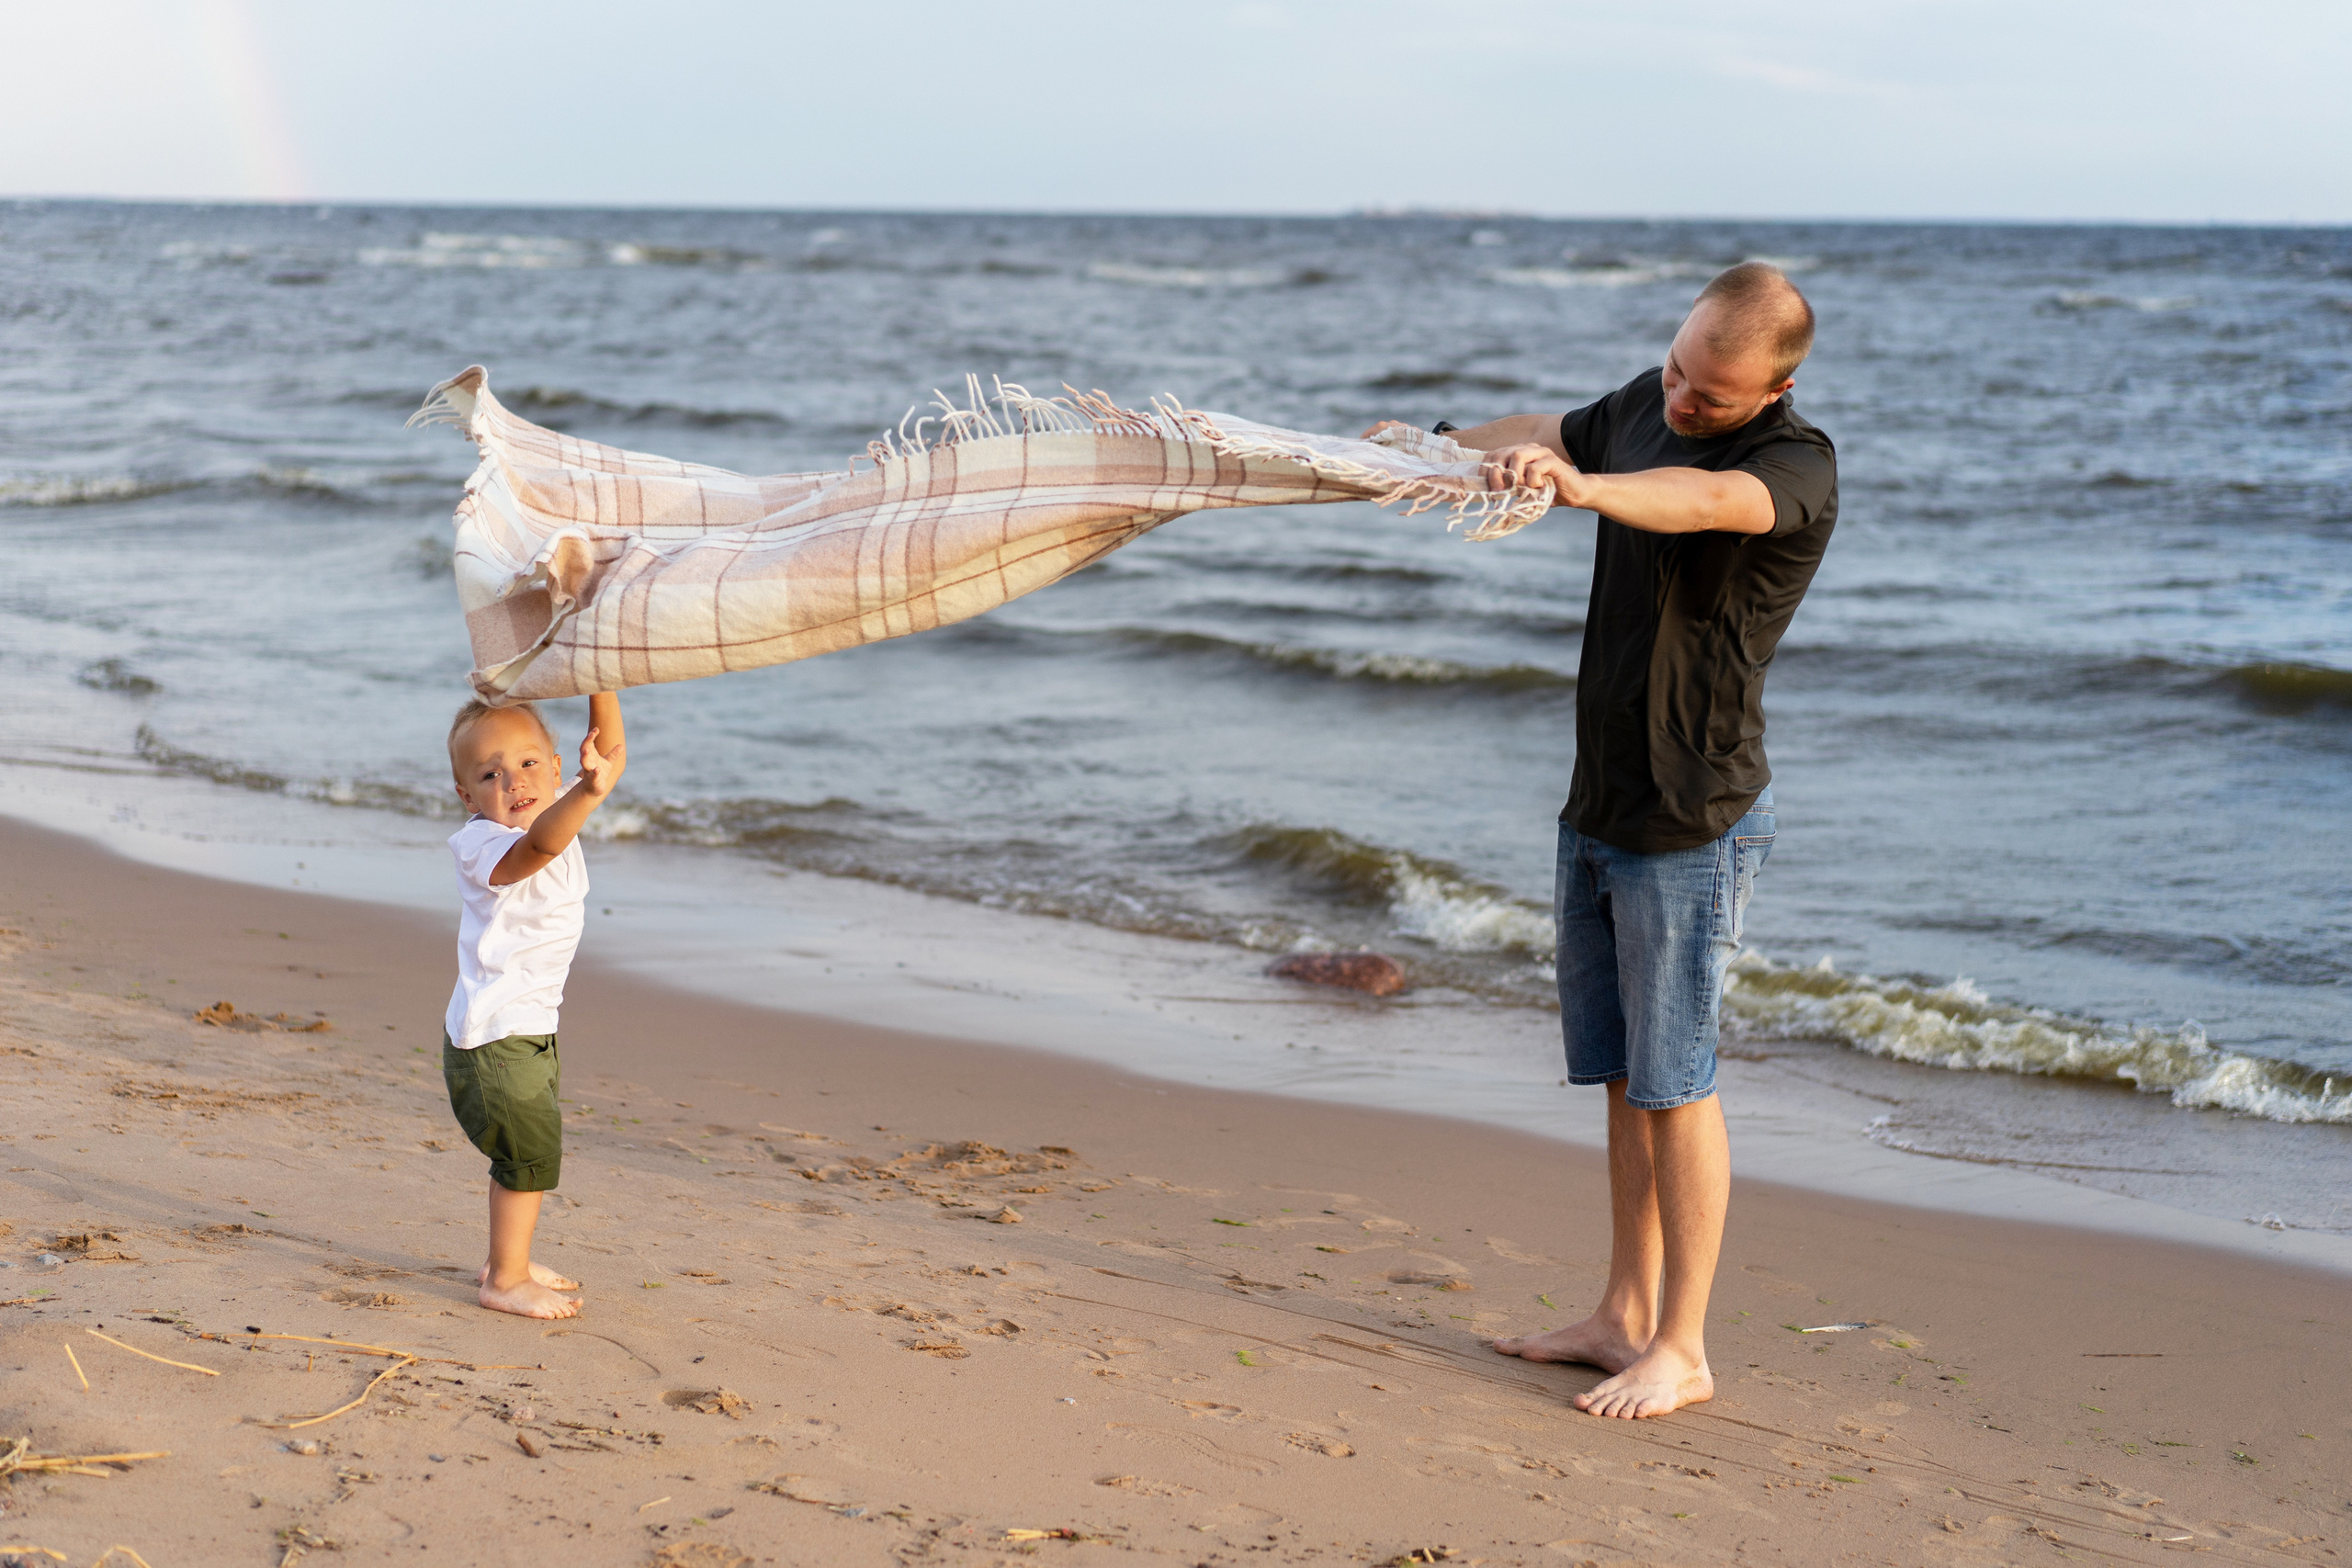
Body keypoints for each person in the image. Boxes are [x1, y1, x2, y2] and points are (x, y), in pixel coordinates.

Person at [1371, 261, 1836, 1418]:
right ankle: (1621, 1315)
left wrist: (1578, 489)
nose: (1681, 401)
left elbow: (1692, 500)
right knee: (1626, 1075)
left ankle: (1682, 1346)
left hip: (1693, 817)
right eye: (1678, 369)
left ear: (1776, 389)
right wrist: (1432, 444)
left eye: (1712, 395)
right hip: (1600, 801)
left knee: (1678, 1082)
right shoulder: (1649, 398)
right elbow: (1552, 426)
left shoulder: (1792, 467)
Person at [441, 691, 628, 1319]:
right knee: (529, 1155)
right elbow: (540, 849)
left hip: (529, 1029)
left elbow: (610, 752)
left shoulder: (558, 809)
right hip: (494, 1041)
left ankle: (505, 1258)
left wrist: (600, 676)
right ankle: (506, 1278)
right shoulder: (485, 846)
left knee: (528, 1150)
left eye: (526, 764)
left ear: (555, 766)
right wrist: (587, 794)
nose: (513, 782)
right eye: (490, 774)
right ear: (468, 796)